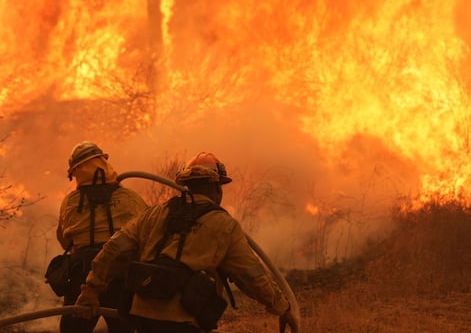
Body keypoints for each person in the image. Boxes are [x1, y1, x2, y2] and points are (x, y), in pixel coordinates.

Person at [74, 152, 300, 333]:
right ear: (217, 189)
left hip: (142, 315)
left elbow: (114, 248)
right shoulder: (224, 225)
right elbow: (251, 275)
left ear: (186, 185)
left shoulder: (153, 214)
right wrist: (283, 307)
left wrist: (91, 290)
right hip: (184, 320)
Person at [56, 141, 148, 333]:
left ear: (77, 171)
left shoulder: (70, 201)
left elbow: (64, 240)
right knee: (124, 327)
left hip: (83, 275)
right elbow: (146, 234)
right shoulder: (129, 197)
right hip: (120, 272)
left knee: (74, 329)